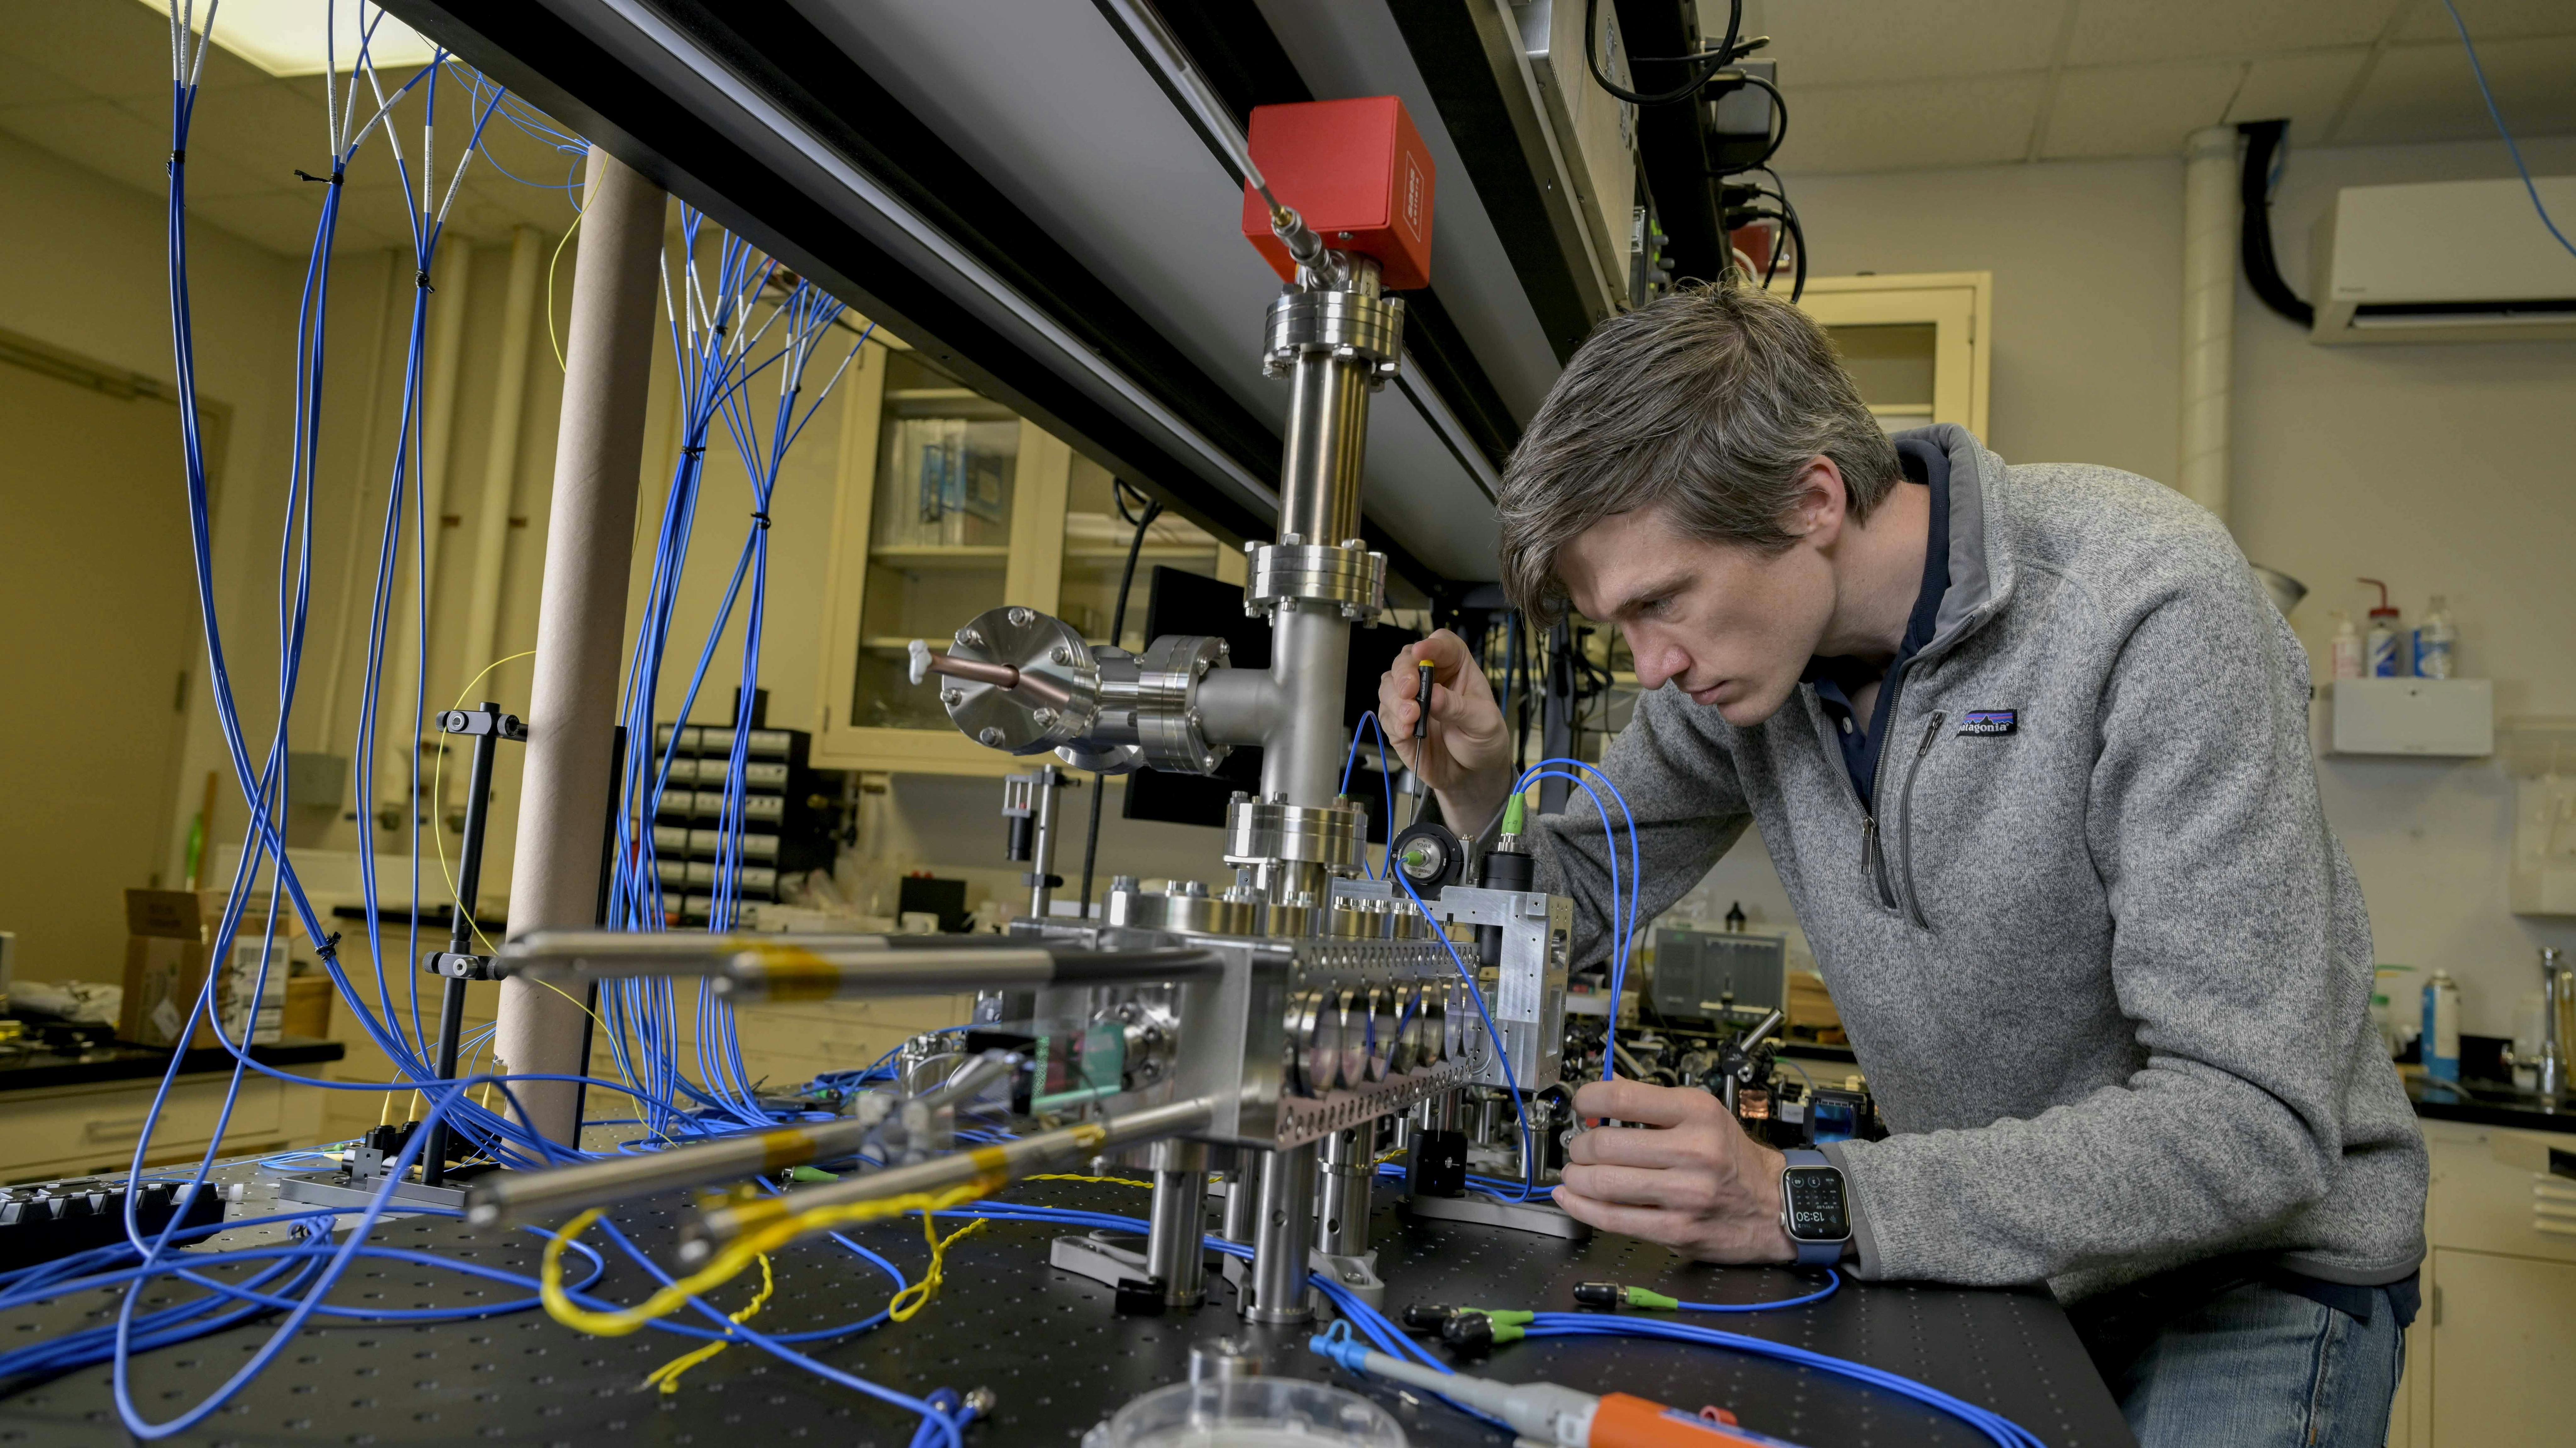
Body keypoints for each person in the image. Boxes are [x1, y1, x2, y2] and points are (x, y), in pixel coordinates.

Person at [1377, 281, 2425, 1448]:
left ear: (1812, 496)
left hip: (2253, 1283)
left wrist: (1807, 1196)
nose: (1653, 665)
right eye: (1619, 625)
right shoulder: (1739, 680)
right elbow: (1570, 905)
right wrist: (1473, 792)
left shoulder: (2150, 603)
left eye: (1662, 601)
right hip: (2008, 1257)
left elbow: (2253, 1122)